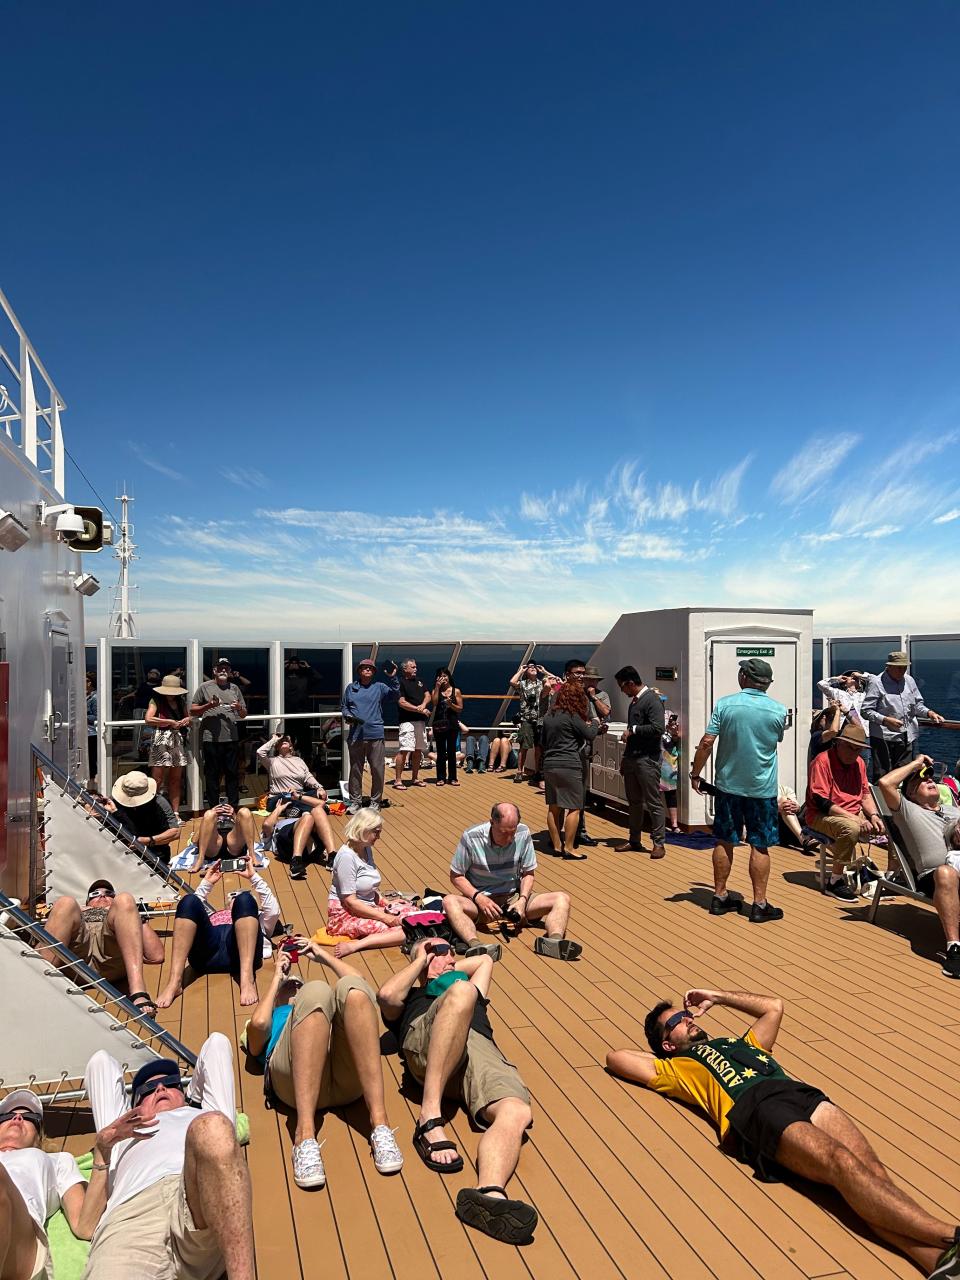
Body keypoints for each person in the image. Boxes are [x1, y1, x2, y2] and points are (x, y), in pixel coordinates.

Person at [607, 988, 960, 1279]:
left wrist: (717, 997)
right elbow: (616, 1057)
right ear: (667, 1043)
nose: (689, 1021)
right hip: (755, 1109)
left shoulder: (744, 1042)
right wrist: (665, 1049)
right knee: (841, 1164)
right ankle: (950, 1234)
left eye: (686, 1016)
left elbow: (774, 1006)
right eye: (678, 1023)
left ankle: (939, 1263)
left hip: (797, 1093)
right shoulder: (675, 1068)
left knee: (873, 1174)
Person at [377, 941, 538, 1245]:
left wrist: (446, 964)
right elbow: (385, 996)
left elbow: (484, 962)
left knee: (517, 1111)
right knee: (462, 992)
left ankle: (489, 1194)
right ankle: (430, 1114)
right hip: (426, 1044)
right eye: (440, 954)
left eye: (453, 952)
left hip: (479, 1047)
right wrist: (421, 962)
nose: (451, 958)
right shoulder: (411, 996)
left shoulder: (469, 989)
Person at [82, 1036, 255, 1279]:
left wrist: (194, 1097)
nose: (161, 1088)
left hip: (196, 1198)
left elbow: (216, 1045)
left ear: (184, 1095)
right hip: (133, 1218)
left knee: (214, 1126)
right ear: (135, 1105)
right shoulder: (119, 1135)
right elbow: (99, 1062)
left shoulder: (202, 1114)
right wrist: (104, 1145)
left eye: (171, 1083)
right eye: (148, 1089)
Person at [245, 945, 403, 1188]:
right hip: (294, 1086)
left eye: (297, 984)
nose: (294, 986)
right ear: (277, 998)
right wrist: (278, 977)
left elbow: (359, 983)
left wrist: (323, 956)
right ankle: (304, 1135)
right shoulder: (275, 1016)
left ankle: (380, 1124)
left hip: (341, 1081)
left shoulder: (325, 1006)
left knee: (353, 989)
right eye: (290, 986)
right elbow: (257, 1024)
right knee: (316, 990)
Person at [689, 657, 787, 923]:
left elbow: (707, 742)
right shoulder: (779, 711)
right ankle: (759, 904)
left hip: (728, 787)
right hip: (762, 789)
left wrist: (695, 774)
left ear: (744, 677)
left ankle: (719, 897)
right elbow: (775, 739)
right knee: (760, 844)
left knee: (724, 839)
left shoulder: (725, 704)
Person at [443, 802, 582, 961]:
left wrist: (522, 900)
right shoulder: (471, 837)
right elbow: (456, 876)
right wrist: (479, 898)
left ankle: (554, 942)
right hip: (480, 902)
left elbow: (528, 873)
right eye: (503, 833)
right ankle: (475, 945)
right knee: (449, 901)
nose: (509, 839)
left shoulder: (523, 832)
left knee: (562, 898)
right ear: (491, 823)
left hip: (513, 898)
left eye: (512, 832)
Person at [0, 1088, 102, 1275]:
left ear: (39, 1138)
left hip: (21, 1242)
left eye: (30, 1117)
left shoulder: (58, 1160)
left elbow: (84, 1225)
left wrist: (104, 1154)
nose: (17, 1118)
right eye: (6, 1116)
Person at [156, 859, 279, 1008]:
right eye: (233, 895)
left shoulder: (258, 919)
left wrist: (254, 877)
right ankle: (174, 982)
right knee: (188, 901)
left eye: (238, 896)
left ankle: (247, 980)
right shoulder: (212, 914)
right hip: (207, 953)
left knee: (245, 901)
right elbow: (193, 906)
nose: (236, 898)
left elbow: (272, 910)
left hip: (240, 956)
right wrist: (207, 882)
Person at [879, 754, 960, 979]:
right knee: (946, 873)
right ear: (911, 793)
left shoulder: (954, 810)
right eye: (922, 780)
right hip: (937, 877)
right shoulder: (908, 810)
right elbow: (885, 783)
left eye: (932, 779)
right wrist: (916, 763)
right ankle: (954, 948)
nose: (929, 780)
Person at [43, 879, 165, 1017]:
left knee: (125, 898)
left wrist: (134, 915)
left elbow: (156, 956)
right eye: (95, 894)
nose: (102, 896)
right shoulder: (77, 912)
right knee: (65, 902)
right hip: (75, 957)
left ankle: (138, 992)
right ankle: (39, 980)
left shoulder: (118, 914)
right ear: (87, 902)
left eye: (109, 894)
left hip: (110, 956)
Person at [805, 722, 885, 900]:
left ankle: (893, 877)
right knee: (851, 828)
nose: (855, 753)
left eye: (859, 749)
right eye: (851, 748)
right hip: (821, 815)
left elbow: (864, 795)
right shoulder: (822, 761)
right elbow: (821, 802)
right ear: (838, 743)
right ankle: (835, 881)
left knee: (891, 822)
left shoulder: (859, 763)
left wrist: (873, 815)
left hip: (852, 812)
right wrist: (855, 819)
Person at [326, 811, 416, 957]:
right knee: (402, 931)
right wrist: (385, 916)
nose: (379, 837)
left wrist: (387, 903)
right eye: (376, 832)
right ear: (364, 829)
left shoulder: (365, 849)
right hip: (345, 914)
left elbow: (369, 889)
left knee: (412, 916)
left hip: (367, 906)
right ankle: (355, 945)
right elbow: (350, 902)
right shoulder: (346, 857)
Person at [861, 650, 945, 783]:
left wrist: (930, 713)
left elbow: (917, 705)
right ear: (889, 667)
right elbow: (865, 711)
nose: (902, 671)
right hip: (883, 738)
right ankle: (883, 803)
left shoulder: (909, 680)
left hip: (907, 736)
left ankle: (902, 803)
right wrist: (885, 720)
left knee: (905, 774)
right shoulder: (877, 683)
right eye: (899, 668)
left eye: (904, 667)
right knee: (883, 776)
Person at [540, 679, 598, 859]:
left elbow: (542, 742)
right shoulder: (573, 716)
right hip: (569, 764)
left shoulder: (549, 717)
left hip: (550, 764)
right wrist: (595, 722)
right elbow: (589, 734)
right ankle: (570, 848)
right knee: (574, 807)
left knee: (553, 807)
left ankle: (557, 846)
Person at [613, 665, 666, 858]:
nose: (621, 690)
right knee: (634, 801)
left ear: (630, 683)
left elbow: (658, 728)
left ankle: (659, 843)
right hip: (633, 758)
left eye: (622, 686)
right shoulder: (635, 701)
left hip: (647, 759)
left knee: (653, 802)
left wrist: (633, 730)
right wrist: (625, 758)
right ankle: (634, 839)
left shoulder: (651, 700)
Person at [341, 656, 400, 814]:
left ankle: (375, 802)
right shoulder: (351, 688)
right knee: (355, 770)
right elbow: (344, 707)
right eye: (364, 668)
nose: (367, 669)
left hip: (375, 734)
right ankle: (355, 802)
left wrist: (393, 677)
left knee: (377, 769)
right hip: (356, 735)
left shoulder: (379, 687)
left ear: (373, 672)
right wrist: (347, 716)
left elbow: (395, 695)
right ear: (359, 671)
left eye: (370, 668)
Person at [191, 657, 248, 810]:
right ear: (214, 671)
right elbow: (192, 710)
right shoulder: (205, 687)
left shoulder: (235, 688)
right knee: (212, 775)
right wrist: (209, 705)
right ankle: (214, 808)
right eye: (220, 668)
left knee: (232, 774)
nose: (224, 670)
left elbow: (244, 714)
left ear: (230, 672)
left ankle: (233, 807)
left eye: (227, 669)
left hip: (231, 737)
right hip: (210, 738)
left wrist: (238, 708)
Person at [108, 770, 180, 864]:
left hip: (154, 856)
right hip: (120, 855)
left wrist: (149, 841)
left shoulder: (159, 802)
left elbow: (175, 832)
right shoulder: (114, 803)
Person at [145, 673, 191, 817]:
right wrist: (170, 721)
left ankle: (175, 812)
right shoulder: (156, 700)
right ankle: (152, 811)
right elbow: (148, 718)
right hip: (161, 738)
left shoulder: (181, 701)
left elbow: (188, 716)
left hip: (177, 738)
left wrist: (186, 720)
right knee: (157, 779)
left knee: (175, 778)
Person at [575, 665, 610, 846]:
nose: (593, 682)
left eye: (595, 680)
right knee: (575, 790)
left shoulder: (601, 695)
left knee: (582, 789)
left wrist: (593, 697)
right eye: (590, 679)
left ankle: (579, 830)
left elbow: (605, 713)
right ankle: (572, 830)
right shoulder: (574, 696)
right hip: (575, 743)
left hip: (588, 745)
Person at [261, 796, 335, 882]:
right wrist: (278, 809)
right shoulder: (278, 824)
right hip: (288, 847)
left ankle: (332, 856)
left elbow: (321, 803)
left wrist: (298, 796)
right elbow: (266, 825)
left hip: (313, 848)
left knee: (318, 811)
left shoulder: (302, 817)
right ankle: (296, 861)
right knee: (308, 817)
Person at [508, 660, 548, 783]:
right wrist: (521, 670)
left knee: (538, 748)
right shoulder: (523, 684)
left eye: (534, 667)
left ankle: (537, 772)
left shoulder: (542, 683)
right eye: (530, 667)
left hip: (540, 719)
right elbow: (512, 682)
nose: (533, 668)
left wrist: (544, 671)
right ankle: (519, 771)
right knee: (524, 747)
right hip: (527, 719)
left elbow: (555, 681)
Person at [394, 659, 431, 790]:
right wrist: (418, 709)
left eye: (416, 666)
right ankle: (398, 780)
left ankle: (415, 778)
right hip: (407, 721)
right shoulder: (400, 683)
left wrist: (423, 705)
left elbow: (428, 695)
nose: (416, 669)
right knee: (404, 750)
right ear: (405, 669)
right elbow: (402, 702)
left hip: (420, 721)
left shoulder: (420, 681)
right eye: (413, 667)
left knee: (418, 750)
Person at [431, 667, 464, 786]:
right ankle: (440, 778)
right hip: (439, 724)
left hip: (452, 724)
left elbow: (460, 709)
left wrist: (451, 704)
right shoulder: (436, 691)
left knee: (451, 752)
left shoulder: (456, 691)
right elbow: (434, 703)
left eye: (445, 676)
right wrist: (437, 687)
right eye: (440, 676)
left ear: (449, 677)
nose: (443, 678)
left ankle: (453, 778)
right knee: (440, 752)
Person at [661, 708, 681, 834]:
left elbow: (675, 739)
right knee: (654, 793)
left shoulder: (669, 714)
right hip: (652, 757)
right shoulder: (647, 715)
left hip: (668, 758)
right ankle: (658, 824)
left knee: (670, 791)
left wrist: (674, 732)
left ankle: (674, 824)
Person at [86, 671, 98, 788]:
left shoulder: (94, 698)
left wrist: (82, 716)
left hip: (92, 732)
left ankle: (93, 783)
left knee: (92, 759)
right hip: (86, 732)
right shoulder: (87, 696)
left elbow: (96, 716)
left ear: (90, 682)